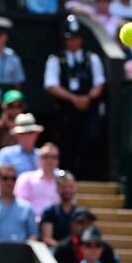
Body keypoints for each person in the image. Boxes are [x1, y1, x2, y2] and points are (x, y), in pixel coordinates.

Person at [44, 16, 106, 178]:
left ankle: (87, 177)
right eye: (69, 38)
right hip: (65, 110)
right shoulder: (55, 59)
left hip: (87, 109)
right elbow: (51, 85)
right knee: (65, 143)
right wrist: (73, 99)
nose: (73, 42)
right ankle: (64, 176)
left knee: (90, 141)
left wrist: (87, 98)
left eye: (76, 38)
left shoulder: (91, 58)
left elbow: (100, 83)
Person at [0, 163, 37, 242]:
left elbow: (33, 234)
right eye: (5, 178)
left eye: (13, 178)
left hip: (20, 252)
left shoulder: (26, 207)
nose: (9, 182)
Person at [53, 207, 119, 263]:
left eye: (89, 222)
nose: (85, 226)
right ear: (72, 224)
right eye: (81, 222)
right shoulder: (63, 248)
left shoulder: (105, 248)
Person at [14, 143, 61, 216]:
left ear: (58, 161)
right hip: (32, 222)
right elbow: (18, 204)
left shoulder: (62, 179)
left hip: (57, 223)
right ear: (38, 159)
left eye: (54, 157)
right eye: (46, 156)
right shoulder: (26, 178)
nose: (50, 160)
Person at [39, 172, 76, 246]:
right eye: (64, 187)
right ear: (57, 188)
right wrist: (62, 248)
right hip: (56, 252)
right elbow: (47, 239)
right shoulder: (49, 211)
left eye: (70, 187)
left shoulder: (81, 213)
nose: (67, 190)